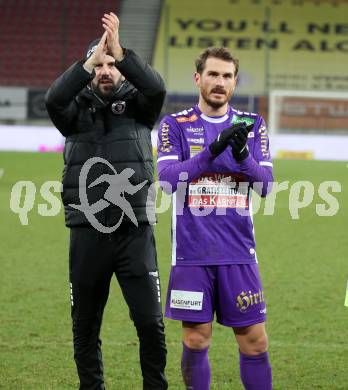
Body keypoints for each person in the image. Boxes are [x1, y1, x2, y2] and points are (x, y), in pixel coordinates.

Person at [45, 12, 167, 390]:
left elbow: (158, 88)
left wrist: (122, 52)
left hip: (135, 231)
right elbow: (54, 97)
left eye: (112, 65)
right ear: (88, 69)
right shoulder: (73, 113)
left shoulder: (140, 108)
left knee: (150, 322)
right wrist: (88, 61)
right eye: (99, 64)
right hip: (87, 232)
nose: (106, 70)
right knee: (85, 324)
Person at [157, 47, 273, 390]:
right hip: (191, 255)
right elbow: (166, 180)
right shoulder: (175, 125)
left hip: (238, 253)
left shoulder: (251, 126)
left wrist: (240, 156)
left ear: (235, 82)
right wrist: (211, 152)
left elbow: (264, 185)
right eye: (212, 74)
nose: (219, 82)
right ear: (198, 78)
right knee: (195, 341)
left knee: (255, 341)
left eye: (226, 76)